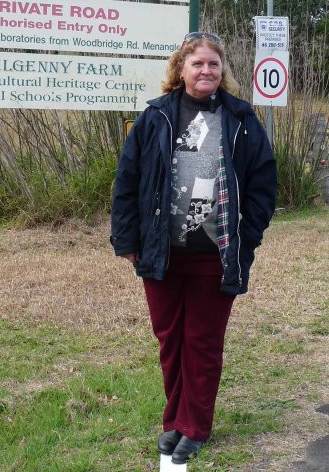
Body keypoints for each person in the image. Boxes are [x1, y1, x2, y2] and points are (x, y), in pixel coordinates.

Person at [110, 32, 277, 464]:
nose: (207, 71)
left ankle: (195, 426)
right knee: (170, 340)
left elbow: (263, 186)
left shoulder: (241, 120)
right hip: (162, 252)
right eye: (198, 64)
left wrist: (247, 238)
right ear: (180, 69)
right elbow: (128, 181)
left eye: (214, 65)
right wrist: (127, 239)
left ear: (223, 72)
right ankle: (174, 421)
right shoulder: (156, 117)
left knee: (202, 342)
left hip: (215, 255)